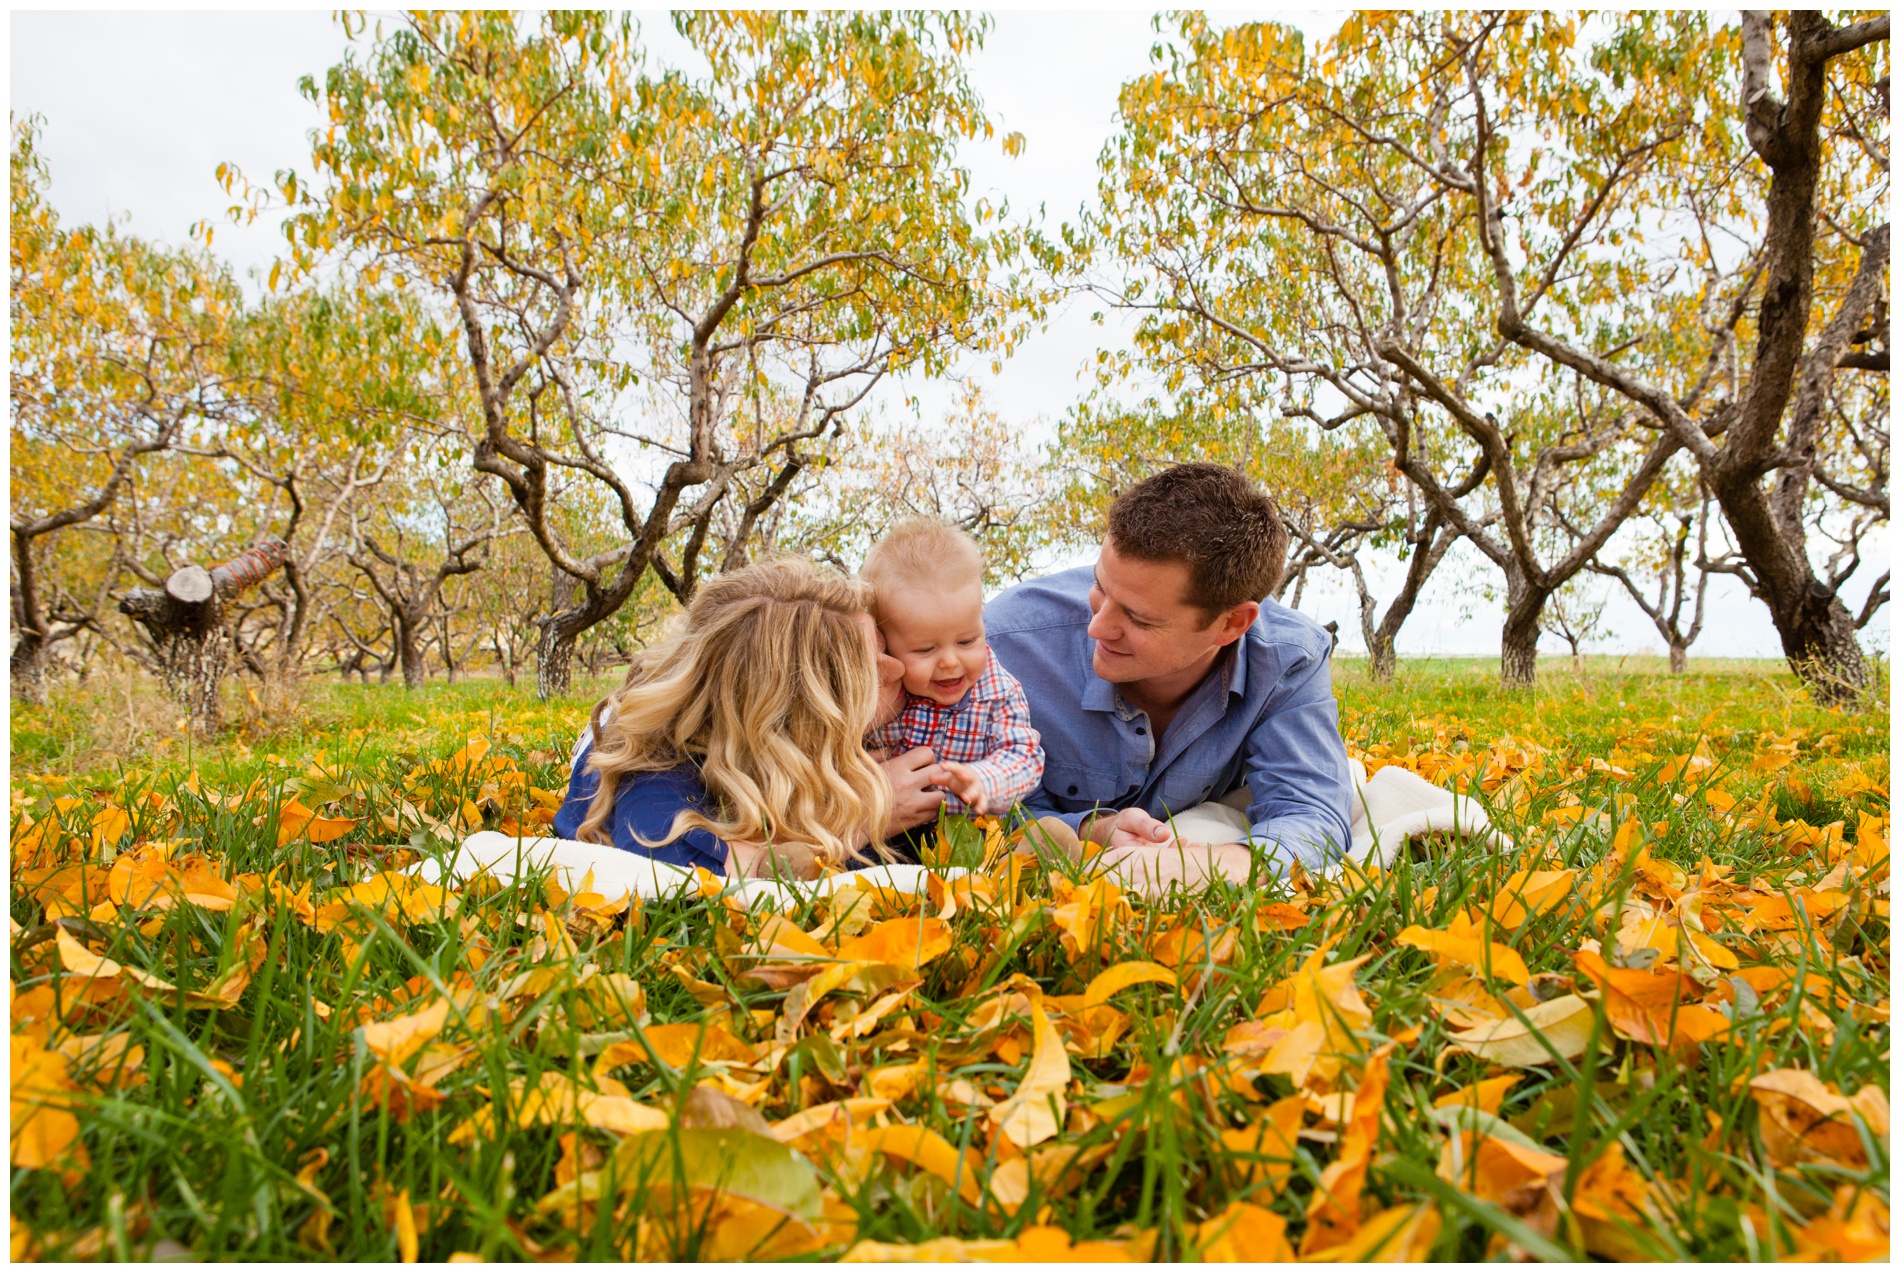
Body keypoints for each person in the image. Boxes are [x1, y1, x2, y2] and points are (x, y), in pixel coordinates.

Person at [983, 463, 1354, 892]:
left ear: (1232, 624)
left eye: (1139, 619)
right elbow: (975, 807)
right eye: (1100, 587)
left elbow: (1312, 812)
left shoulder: (1288, 660)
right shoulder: (1004, 643)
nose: (1097, 627)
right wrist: (1087, 829)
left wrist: (1219, 863)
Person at [552, 557, 899, 880]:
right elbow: (666, 868)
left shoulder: (752, 740)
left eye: (886, 648)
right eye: (871, 674)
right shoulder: (658, 764)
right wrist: (858, 823)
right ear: (796, 714)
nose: (899, 668)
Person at [862, 518, 1043, 821]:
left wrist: (984, 779)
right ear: (886, 644)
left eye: (966, 640)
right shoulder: (881, 691)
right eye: (925, 649)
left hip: (971, 831)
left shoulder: (998, 691)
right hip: (890, 826)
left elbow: (1023, 757)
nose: (949, 661)